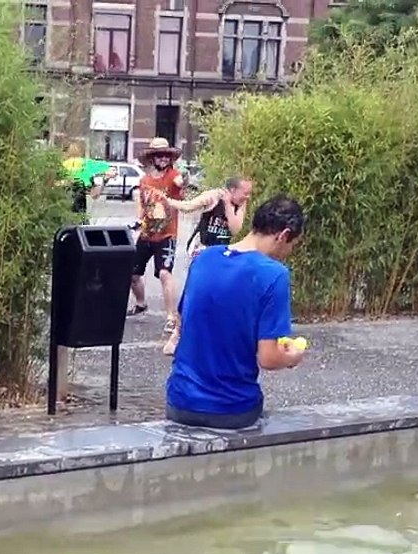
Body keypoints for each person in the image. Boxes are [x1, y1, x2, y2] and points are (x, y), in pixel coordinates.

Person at [165, 195, 308, 430]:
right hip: (230, 409)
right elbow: (269, 359)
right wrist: (293, 356)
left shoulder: (204, 258)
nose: (289, 251)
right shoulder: (273, 274)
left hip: (180, 403)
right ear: (283, 235)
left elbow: (183, 323)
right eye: (292, 245)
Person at [129, 137, 186, 354]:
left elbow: (182, 183)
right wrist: (138, 224)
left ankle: (172, 316)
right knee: (133, 274)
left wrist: (182, 182)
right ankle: (141, 303)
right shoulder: (144, 180)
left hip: (167, 234)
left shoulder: (173, 177)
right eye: (159, 155)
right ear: (152, 158)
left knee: (164, 273)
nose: (163, 159)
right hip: (147, 233)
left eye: (166, 155)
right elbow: (142, 204)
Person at [155, 176, 253, 257]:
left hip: (220, 248)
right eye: (245, 193)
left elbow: (235, 230)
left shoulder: (241, 204)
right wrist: (167, 201)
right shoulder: (214, 196)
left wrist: (228, 205)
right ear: (233, 190)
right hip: (202, 245)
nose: (247, 197)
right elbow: (188, 206)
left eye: (249, 194)